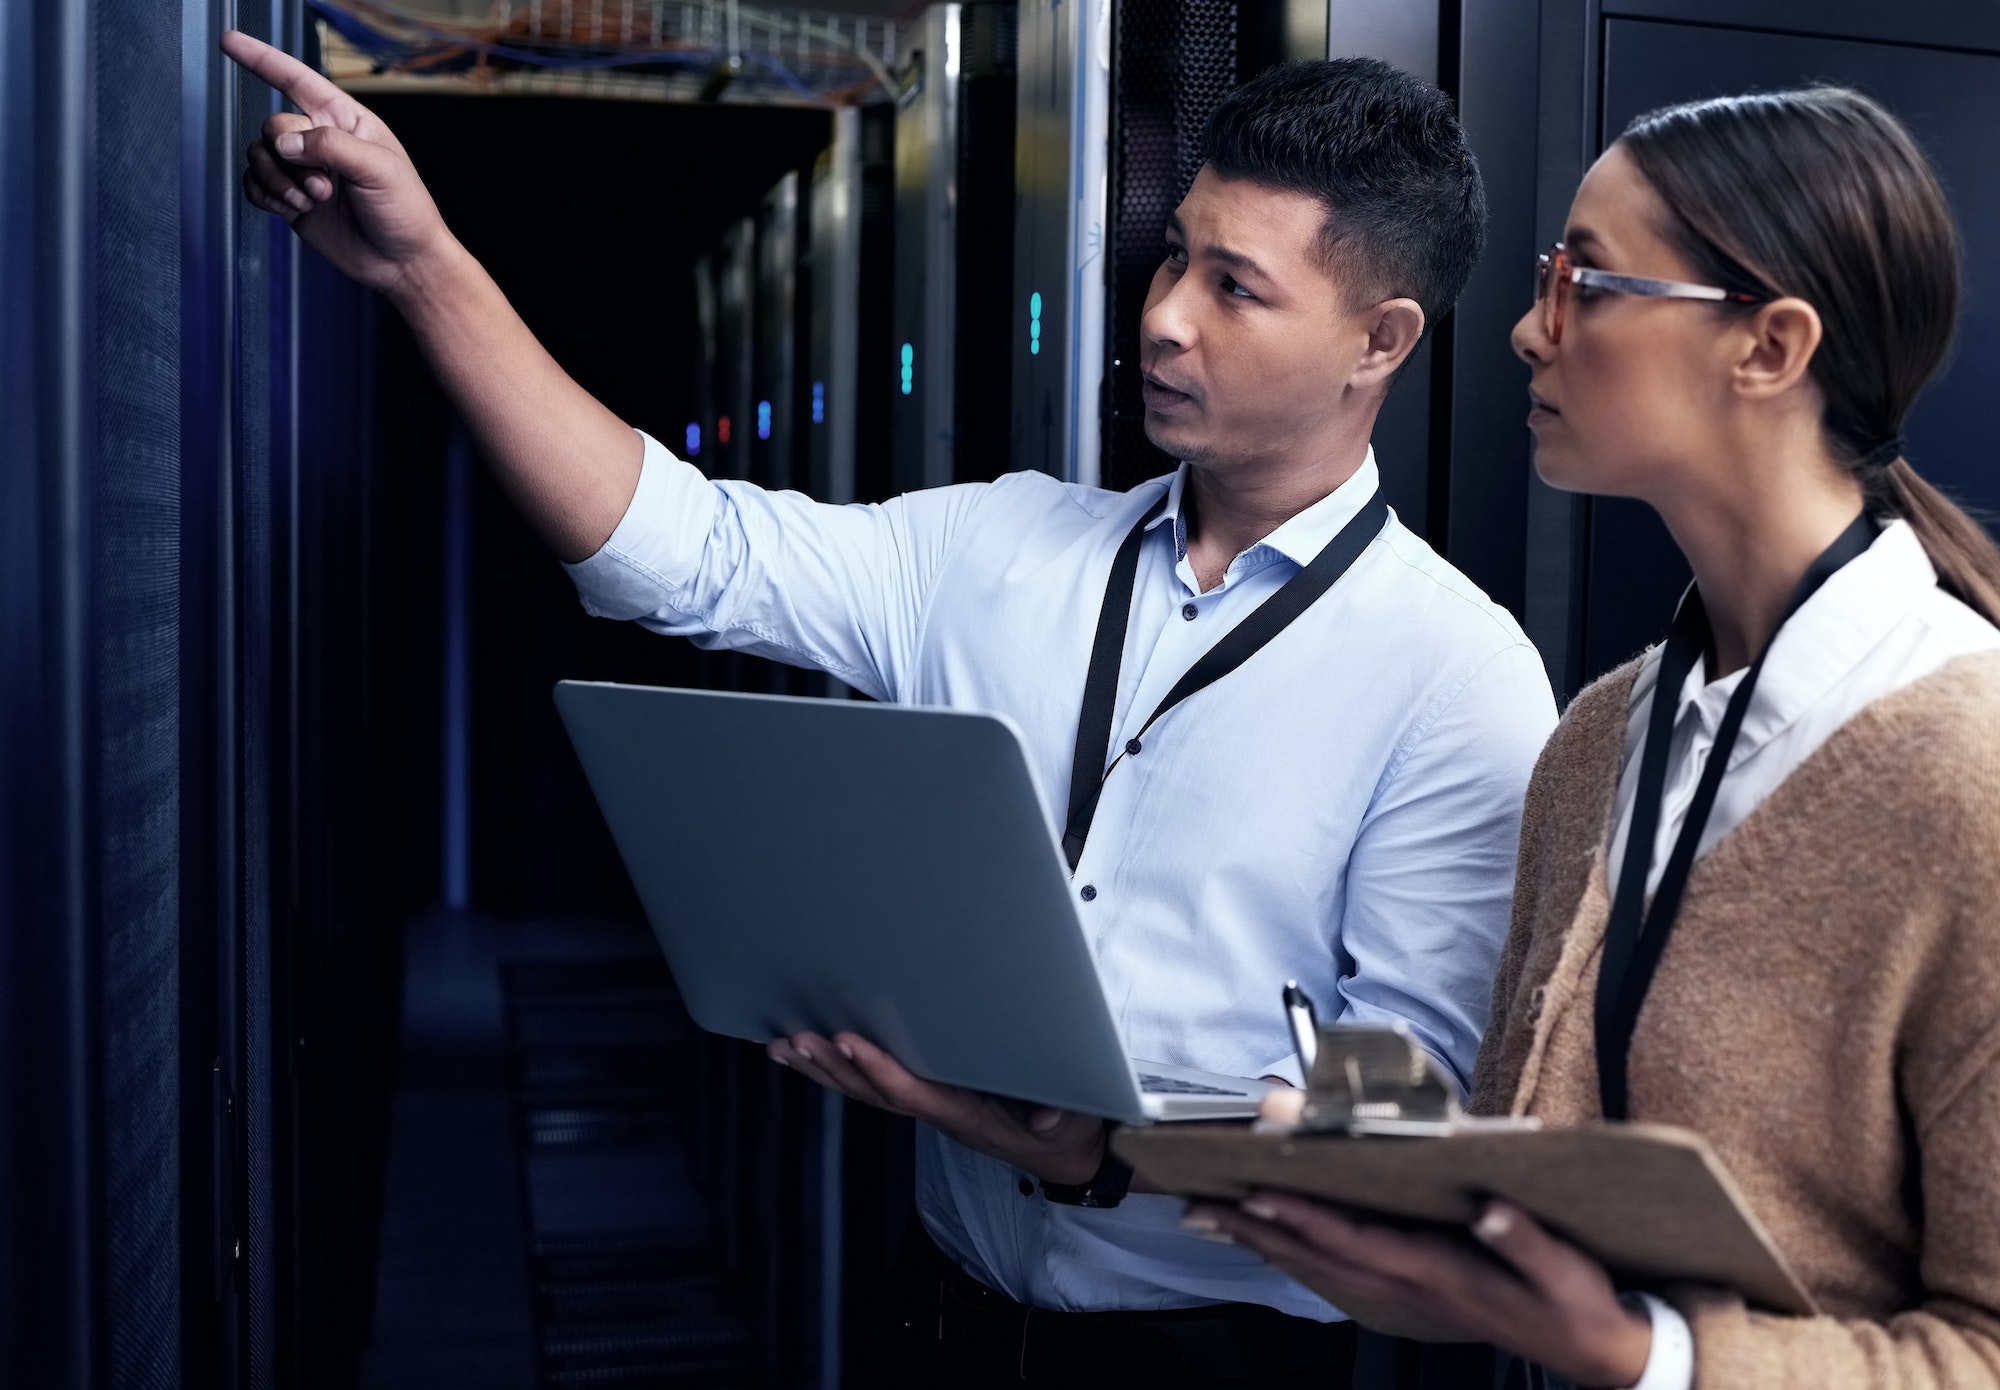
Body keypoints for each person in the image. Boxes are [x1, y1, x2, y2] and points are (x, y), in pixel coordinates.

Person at [226, 33, 1557, 1385]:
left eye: (1236, 288)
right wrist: (419, 266)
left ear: (1378, 342)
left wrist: (1108, 1145)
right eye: (1174, 258)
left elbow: (1414, 1104)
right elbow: (680, 550)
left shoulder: (1455, 675)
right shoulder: (1001, 546)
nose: (1165, 314)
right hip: (939, 1316)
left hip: (1216, 1360)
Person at [1191, 85, 2000, 1390]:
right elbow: (1531, 1146)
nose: (1527, 326)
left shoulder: (1973, 772)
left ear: (1771, 347)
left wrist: (1643, 1354)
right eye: (1542, 274)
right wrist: (1216, 1112)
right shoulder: (1601, 736)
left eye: (1588, 280)